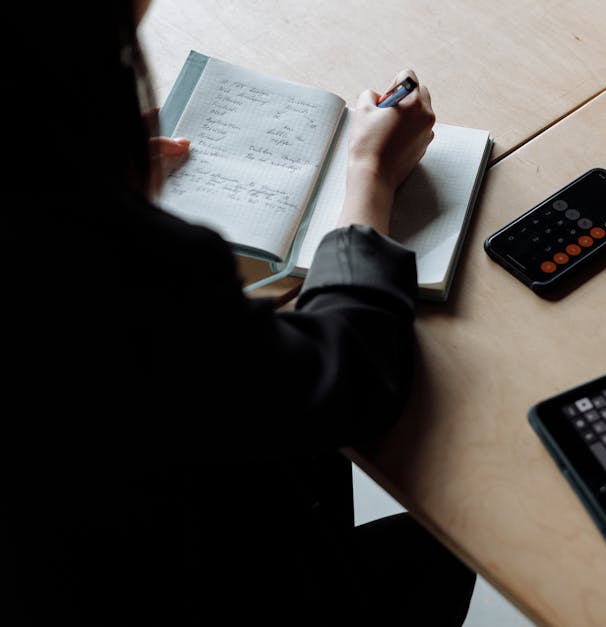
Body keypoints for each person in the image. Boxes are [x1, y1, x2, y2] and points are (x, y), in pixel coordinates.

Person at [5, 1, 476, 625]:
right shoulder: (106, 270)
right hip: (210, 582)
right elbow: (344, 381)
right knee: (459, 535)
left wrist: (95, 170)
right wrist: (370, 173)